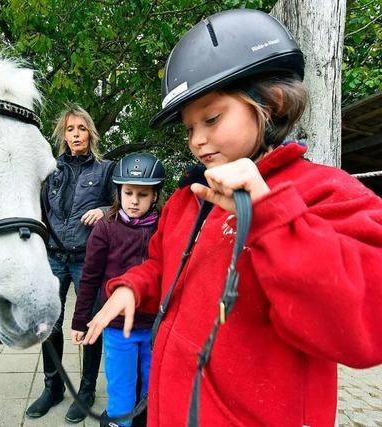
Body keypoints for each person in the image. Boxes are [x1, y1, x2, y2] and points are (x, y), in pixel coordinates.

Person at [81, 8, 382, 426]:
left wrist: (268, 216)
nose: (197, 140)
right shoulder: (189, 198)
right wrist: (133, 288)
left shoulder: (325, 192)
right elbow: (161, 266)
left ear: (272, 104)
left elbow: (367, 324)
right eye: (188, 129)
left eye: (211, 118)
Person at [26, 105, 115, 423]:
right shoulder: (51, 169)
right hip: (53, 256)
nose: (76, 134)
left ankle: (87, 390)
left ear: (90, 132)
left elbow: (123, 205)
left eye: (81, 128)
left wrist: (105, 209)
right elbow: (36, 208)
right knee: (49, 323)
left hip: (88, 259)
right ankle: (53, 388)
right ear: (63, 135)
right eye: (69, 129)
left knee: (91, 326)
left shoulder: (105, 170)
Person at [71, 153, 165, 427]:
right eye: (128, 192)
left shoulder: (163, 227)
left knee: (151, 390)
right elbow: (89, 277)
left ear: (155, 196)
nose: (134, 200)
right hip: (116, 326)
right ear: (119, 192)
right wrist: (79, 321)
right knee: (122, 390)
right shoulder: (105, 227)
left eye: (143, 195)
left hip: (153, 327)